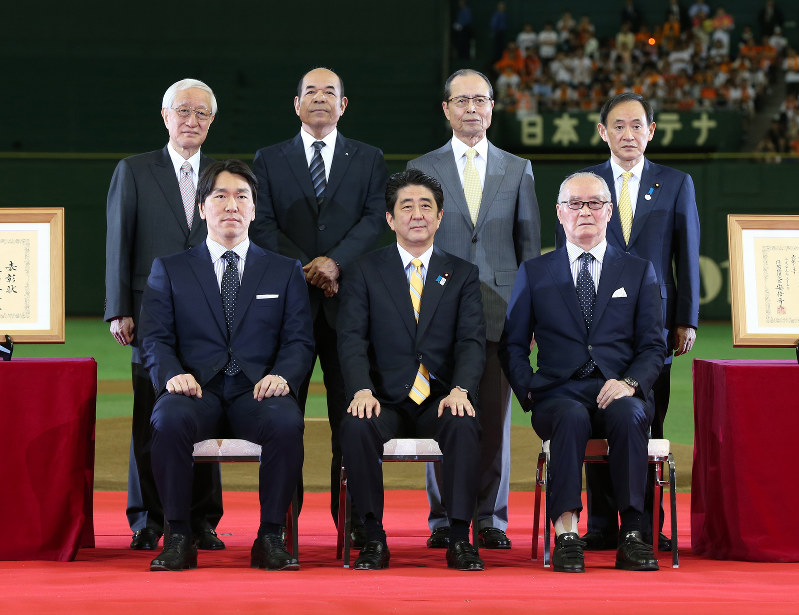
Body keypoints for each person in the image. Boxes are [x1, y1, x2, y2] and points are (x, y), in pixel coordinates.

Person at [138, 160, 314, 572]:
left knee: (286, 423)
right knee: (167, 420)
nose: (231, 205)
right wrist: (172, 374)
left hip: (257, 392)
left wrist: (282, 375)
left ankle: (270, 537)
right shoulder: (170, 269)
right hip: (195, 390)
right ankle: (178, 536)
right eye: (220, 196)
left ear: (254, 208)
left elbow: (299, 341)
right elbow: (155, 338)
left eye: (241, 196)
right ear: (202, 207)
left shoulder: (283, 270)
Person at [501, 171, 667, 572]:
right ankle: (567, 533)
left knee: (630, 415)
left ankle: (633, 534)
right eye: (575, 204)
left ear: (609, 211)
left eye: (594, 203)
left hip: (618, 390)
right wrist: (529, 391)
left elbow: (653, 345)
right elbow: (513, 344)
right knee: (571, 416)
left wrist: (630, 383)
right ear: (560, 212)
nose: (585, 211)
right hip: (558, 393)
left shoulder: (638, 270)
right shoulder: (535, 272)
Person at [249, 67, 388, 546]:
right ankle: (281, 525)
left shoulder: (369, 158)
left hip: (348, 307)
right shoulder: (268, 159)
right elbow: (261, 223)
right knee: (282, 419)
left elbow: (374, 220)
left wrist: (335, 263)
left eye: (330, 92)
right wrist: (308, 267)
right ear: (297, 104)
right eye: (311, 91)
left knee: (351, 418)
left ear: (343, 105)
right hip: (287, 308)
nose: (320, 98)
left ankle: (354, 523)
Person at [557, 92, 700, 551]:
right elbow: (566, 253)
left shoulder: (675, 183)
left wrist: (686, 319)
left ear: (651, 131)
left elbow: (687, 256)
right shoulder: (584, 183)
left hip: (653, 328)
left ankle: (646, 525)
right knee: (597, 413)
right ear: (603, 132)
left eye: (637, 125)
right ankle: (601, 524)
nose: (628, 134)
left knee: (647, 421)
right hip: (593, 324)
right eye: (618, 126)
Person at [408, 69, 540, 551]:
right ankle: (445, 517)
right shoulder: (422, 167)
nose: (472, 109)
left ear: (492, 108)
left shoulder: (518, 168)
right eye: (462, 101)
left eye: (480, 100)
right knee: (440, 413)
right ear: (446, 109)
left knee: (493, 419)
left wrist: (531, 316)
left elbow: (529, 250)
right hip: (436, 311)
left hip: (500, 310)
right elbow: (413, 243)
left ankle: (490, 518)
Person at [337, 169, 486, 571]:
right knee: (356, 426)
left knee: (463, 423)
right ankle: (372, 537)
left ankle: (459, 537)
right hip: (383, 399)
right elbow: (351, 339)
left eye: (426, 206)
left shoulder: (462, 274)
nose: (417, 214)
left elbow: (471, 342)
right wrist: (361, 389)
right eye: (407, 206)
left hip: (439, 398)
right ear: (390, 218)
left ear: (440, 217)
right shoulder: (364, 271)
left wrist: (461, 390)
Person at [104, 78, 224, 552]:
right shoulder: (134, 170)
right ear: (165, 116)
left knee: (208, 412)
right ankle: (148, 519)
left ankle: (202, 519)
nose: (191, 120)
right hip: (149, 313)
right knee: (150, 416)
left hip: (214, 316)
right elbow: (119, 240)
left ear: (211, 121)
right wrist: (119, 308)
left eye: (201, 113)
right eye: (183, 111)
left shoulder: (222, 174)